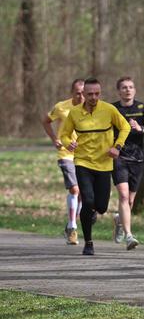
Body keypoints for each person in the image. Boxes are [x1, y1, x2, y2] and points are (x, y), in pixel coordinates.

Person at [59, 78, 131, 256]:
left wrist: (117, 146)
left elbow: (125, 127)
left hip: (104, 163)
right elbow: (65, 134)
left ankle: (90, 213)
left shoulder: (109, 109)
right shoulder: (74, 113)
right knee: (88, 200)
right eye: (90, 94)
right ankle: (88, 243)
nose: (93, 97)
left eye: (97, 94)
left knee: (101, 207)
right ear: (83, 94)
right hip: (82, 162)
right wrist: (69, 143)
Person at [111, 77, 144, 250]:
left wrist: (141, 129)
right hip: (118, 157)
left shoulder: (142, 108)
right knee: (124, 196)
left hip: (137, 158)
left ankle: (119, 220)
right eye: (124, 87)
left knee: (130, 201)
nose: (128, 90)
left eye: (131, 87)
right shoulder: (112, 109)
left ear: (134, 90)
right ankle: (129, 235)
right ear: (119, 91)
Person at [41, 79, 85, 245]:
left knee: (82, 193)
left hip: (85, 155)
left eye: (83, 93)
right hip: (66, 154)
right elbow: (45, 121)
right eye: (78, 93)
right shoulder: (61, 107)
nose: (81, 96)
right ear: (72, 93)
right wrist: (54, 139)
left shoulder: (91, 108)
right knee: (74, 189)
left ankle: (70, 223)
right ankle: (73, 227)